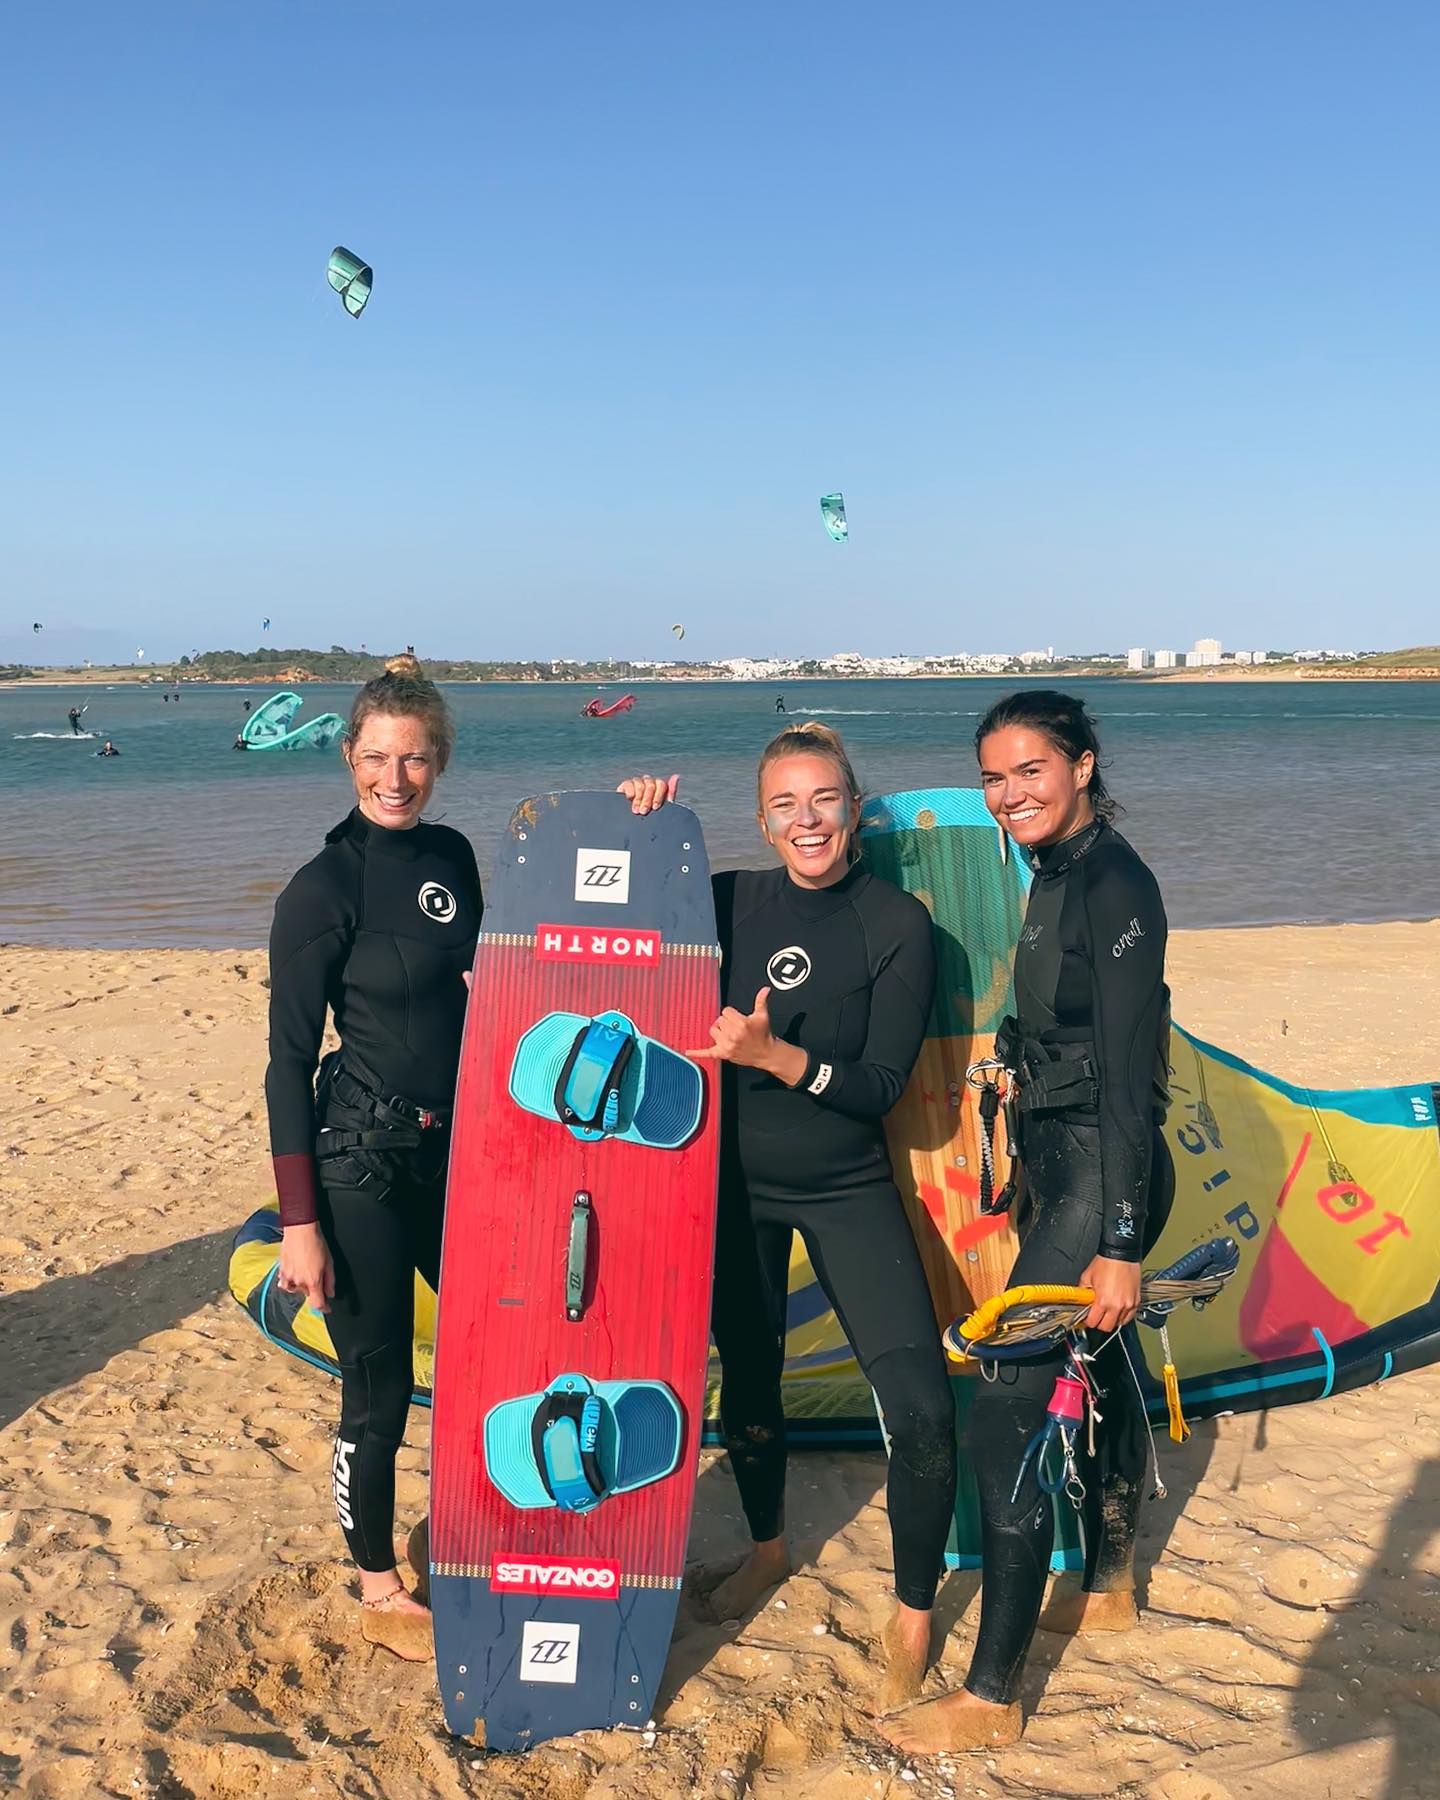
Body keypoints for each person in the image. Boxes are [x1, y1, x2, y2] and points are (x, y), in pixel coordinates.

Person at [621, 723, 955, 1710]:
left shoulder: (899, 925)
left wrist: (776, 1060)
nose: (806, 821)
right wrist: (643, 828)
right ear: (760, 821)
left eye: (823, 800)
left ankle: (916, 1608)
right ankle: (769, 1549)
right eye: (785, 805)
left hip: (846, 1182)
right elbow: (618, 935)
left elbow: (883, 1085)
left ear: (853, 806)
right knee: (750, 1379)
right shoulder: (725, 901)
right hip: (729, 1186)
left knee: (922, 1403)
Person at [881, 690, 1173, 1753]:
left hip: (1105, 1174)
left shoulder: (1115, 883)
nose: (1011, 795)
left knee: (1008, 1407)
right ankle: (1109, 1584)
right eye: (995, 778)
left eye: (1032, 772)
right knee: (1103, 1373)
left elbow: (1133, 1078)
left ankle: (993, 1698)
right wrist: (1010, 1044)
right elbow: (1059, 1009)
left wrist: (1121, 1243)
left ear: (1083, 767)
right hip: (1061, 1161)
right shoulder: (1054, 873)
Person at [264, 655, 482, 1662]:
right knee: (379, 1383)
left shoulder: (453, 858)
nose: (396, 780)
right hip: (358, 1161)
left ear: (439, 762)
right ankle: (377, 1581)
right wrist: (300, 1224)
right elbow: (284, 1065)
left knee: (490, 1349)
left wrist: (636, 818)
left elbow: (505, 979)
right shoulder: (322, 887)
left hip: (455, 1153)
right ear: (348, 756)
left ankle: (468, 1525)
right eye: (378, 758)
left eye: (416, 760)